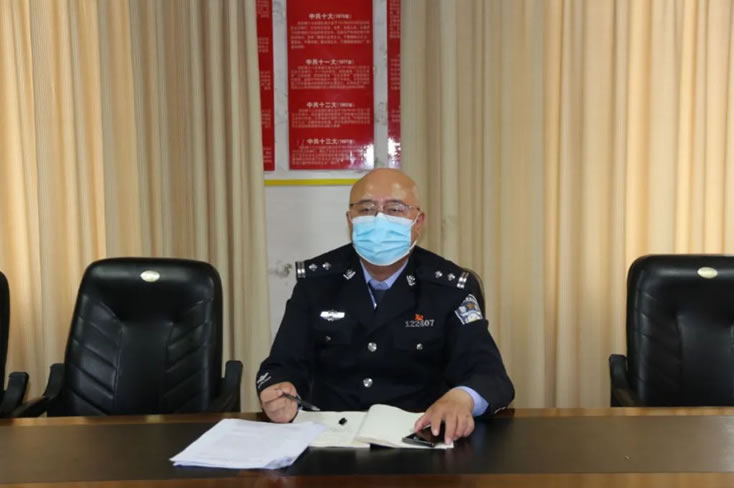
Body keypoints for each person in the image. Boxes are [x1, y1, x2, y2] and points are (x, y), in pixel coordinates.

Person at [256, 168, 514, 443]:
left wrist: (462, 398)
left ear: (418, 222)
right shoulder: (317, 283)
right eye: (366, 209)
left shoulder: (449, 288)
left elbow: (490, 375)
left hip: (420, 438)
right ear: (350, 220)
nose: (379, 219)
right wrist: (278, 389)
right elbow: (282, 364)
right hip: (330, 440)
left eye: (394, 209)